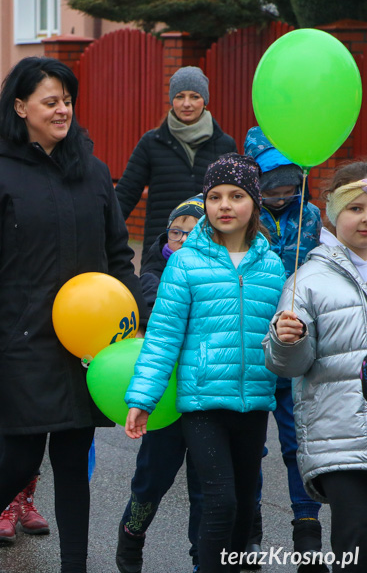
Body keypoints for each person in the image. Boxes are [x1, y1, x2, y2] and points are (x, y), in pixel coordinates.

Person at [0, 57, 147, 573]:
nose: (62, 109)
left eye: (66, 100)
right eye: (49, 101)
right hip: (21, 341)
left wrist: (139, 325)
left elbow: (118, 257)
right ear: (21, 108)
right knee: (18, 459)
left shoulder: (94, 172)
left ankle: (75, 566)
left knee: (72, 461)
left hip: (88, 345)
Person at [124, 154, 285, 573]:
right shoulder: (185, 263)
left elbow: (283, 344)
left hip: (252, 406)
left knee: (244, 506)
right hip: (202, 404)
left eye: (236, 195)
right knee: (219, 501)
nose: (225, 205)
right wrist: (143, 397)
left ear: (255, 203)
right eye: (215, 196)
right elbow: (162, 338)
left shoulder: (272, 267)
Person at [265, 163, 367, 573]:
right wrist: (287, 339)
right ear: (332, 214)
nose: (365, 218)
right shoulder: (308, 279)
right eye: (355, 208)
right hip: (340, 439)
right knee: (354, 542)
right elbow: (287, 365)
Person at [244, 127, 327, 572]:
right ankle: (249, 531)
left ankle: (307, 528)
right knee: (251, 444)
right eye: (271, 185)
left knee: (298, 442)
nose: (280, 194)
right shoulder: (242, 216)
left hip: (297, 345)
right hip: (252, 347)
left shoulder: (311, 215)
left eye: (289, 184)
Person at [116, 195, 205, 573]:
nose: (182, 238)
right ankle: (131, 536)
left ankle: (202, 554)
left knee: (205, 486)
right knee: (152, 479)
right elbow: (160, 319)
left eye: (192, 231)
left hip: (206, 396)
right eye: (175, 231)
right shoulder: (153, 277)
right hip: (165, 396)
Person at [116, 66, 237, 268]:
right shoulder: (152, 142)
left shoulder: (224, 145)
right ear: (172, 100)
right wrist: (101, 233)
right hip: (161, 254)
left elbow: (235, 199)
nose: (187, 104)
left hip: (211, 253)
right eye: (180, 96)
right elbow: (125, 194)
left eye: (194, 96)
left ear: (205, 101)